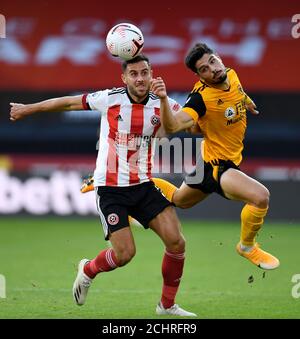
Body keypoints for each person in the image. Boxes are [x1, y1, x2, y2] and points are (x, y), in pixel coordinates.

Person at [9, 54, 196, 317]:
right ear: (124, 78)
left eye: (145, 72)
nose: (140, 78)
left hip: (143, 185)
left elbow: (180, 125)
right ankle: (87, 270)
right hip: (110, 189)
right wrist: (29, 108)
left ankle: (166, 305)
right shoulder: (110, 98)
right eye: (134, 74)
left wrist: (166, 99)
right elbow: (67, 103)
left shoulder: (162, 102)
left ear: (152, 74)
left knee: (176, 242)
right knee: (124, 255)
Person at [149, 43, 280, 270]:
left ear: (218, 57)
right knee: (260, 197)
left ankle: (134, 185)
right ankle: (247, 247)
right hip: (220, 166)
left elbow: (236, 92)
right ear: (200, 76)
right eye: (204, 69)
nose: (212, 69)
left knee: (180, 200)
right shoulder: (200, 98)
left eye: (212, 61)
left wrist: (246, 102)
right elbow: (173, 125)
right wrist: (163, 99)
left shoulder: (231, 74)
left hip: (207, 164)